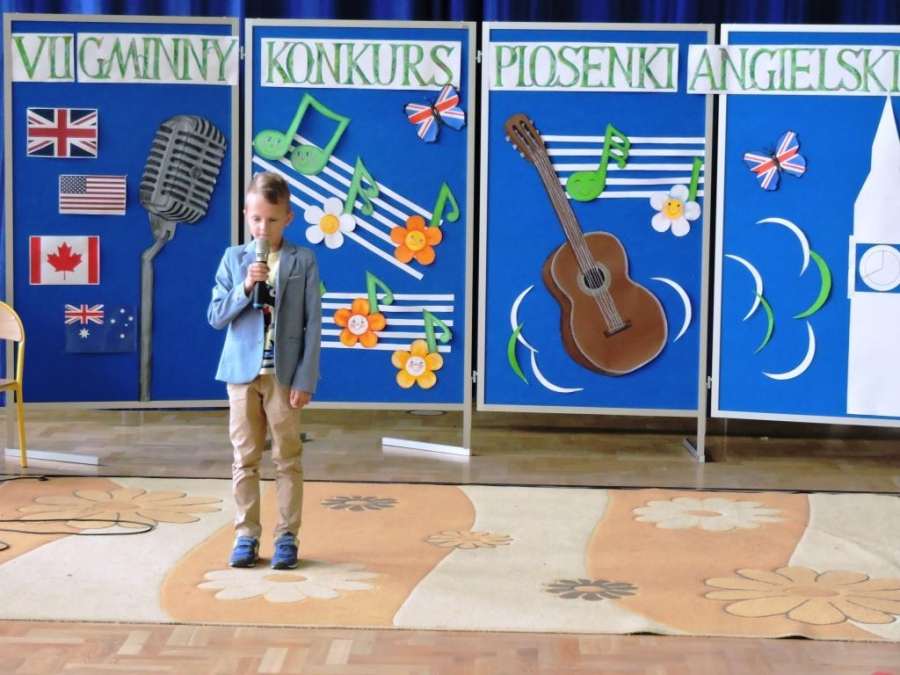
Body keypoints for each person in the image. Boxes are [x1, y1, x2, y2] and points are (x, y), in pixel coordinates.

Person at [208, 171, 322, 569]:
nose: (263, 227)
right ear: (245, 215)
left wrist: (305, 379)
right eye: (256, 219)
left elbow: (312, 324)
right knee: (245, 457)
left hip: (283, 377)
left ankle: (287, 536)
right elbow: (216, 316)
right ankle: (246, 535)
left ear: (288, 218)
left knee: (287, 458)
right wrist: (244, 287)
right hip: (241, 375)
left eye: (272, 220)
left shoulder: (302, 260)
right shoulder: (233, 259)